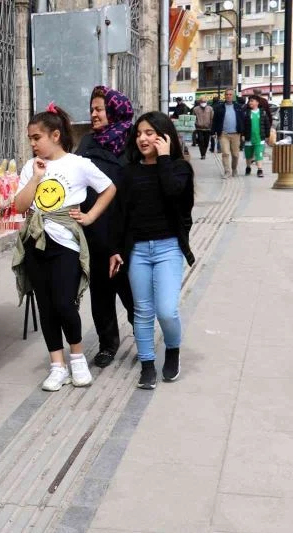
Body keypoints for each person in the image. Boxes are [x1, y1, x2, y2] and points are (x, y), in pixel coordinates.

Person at [12, 103, 117, 391]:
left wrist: (90, 216)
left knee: (64, 303)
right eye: (30, 139)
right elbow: (20, 206)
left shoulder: (78, 164)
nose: (33, 144)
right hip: (35, 242)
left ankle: (78, 358)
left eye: (37, 137)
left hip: (66, 245)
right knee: (45, 306)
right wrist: (35, 177)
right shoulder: (29, 167)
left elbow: (109, 187)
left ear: (55, 135)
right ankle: (57, 365)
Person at [109, 111, 195, 390]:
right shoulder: (130, 171)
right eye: (139, 133)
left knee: (167, 310)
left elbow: (173, 193)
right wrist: (116, 249)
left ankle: (172, 350)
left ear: (164, 135)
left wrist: (165, 157)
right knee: (142, 312)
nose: (143, 138)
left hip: (168, 248)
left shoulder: (180, 169)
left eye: (150, 133)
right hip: (138, 252)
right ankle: (147, 365)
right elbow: (120, 215)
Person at [74, 86, 134, 369]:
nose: (94, 114)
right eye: (93, 108)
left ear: (114, 111)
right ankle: (108, 343)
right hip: (96, 229)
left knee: (133, 291)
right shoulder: (87, 143)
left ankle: (143, 337)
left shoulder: (132, 142)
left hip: (126, 229)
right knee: (101, 292)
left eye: (99, 109)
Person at [212, 88, 244, 178]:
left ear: (233, 96)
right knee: (225, 153)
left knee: (235, 154)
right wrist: (213, 132)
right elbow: (215, 121)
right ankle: (227, 171)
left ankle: (234, 169)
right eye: (227, 94)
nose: (228, 96)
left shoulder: (238, 107)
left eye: (230, 94)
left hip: (236, 134)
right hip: (223, 134)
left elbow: (242, 120)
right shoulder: (219, 107)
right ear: (224, 96)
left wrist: (243, 133)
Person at [242, 95, 271, 178]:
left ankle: (260, 170)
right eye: (249, 101)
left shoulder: (262, 112)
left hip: (259, 138)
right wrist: (243, 134)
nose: (250, 102)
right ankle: (248, 167)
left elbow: (267, 124)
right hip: (249, 137)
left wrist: (267, 135)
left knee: (259, 154)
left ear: (257, 102)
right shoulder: (246, 112)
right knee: (249, 155)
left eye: (252, 101)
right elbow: (243, 125)